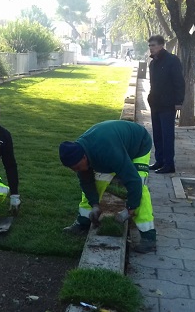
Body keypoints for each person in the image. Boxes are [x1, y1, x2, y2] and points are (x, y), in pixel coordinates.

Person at [59, 120, 157, 254]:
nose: (76, 170)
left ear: (84, 158)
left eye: (76, 167)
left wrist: (130, 209)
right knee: (94, 184)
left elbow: (133, 181)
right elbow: (87, 184)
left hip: (139, 144)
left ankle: (148, 237)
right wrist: (95, 204)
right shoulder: (78, 152)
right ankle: (83, 222)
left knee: (140, 188)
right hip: (108, 150)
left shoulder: (110, 152)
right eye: (72, 169)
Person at [146, 35, 185, 174]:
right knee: (157, 133)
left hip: (168, 104)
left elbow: (179, 82)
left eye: (154, 45)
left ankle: (169, 164)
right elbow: (153, 83)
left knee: (167, 135)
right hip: (155, 103)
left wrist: (179, 102)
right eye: (150, 45)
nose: (151, 48)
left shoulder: (172, 60)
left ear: (162, 45)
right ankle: (159, 160)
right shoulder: (153, 63)